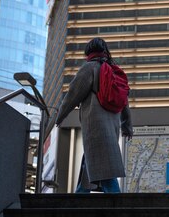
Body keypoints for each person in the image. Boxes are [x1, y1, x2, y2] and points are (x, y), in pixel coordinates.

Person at [55, 37, 133, 193]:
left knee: (105, 169)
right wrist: (127, 126)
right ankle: (80, 194)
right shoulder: (114, 70)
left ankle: (119, 205)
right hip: (112, 126)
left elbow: (72, 95)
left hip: (94, 125)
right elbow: (124, 102)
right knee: (92, 162)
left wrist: (60, 116)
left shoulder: (89, 68)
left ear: (88, 52)